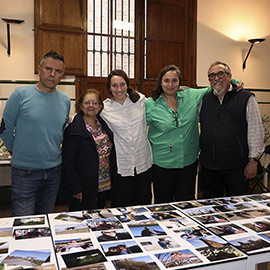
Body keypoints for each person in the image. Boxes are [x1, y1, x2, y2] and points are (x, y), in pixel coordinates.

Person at [146, 64, 242, 204]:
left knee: (186, 203)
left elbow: (215, 85)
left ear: (180, 82)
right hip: (162, 164)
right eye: (166, 80)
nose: (171, 84)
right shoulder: (150, 104)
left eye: (175, 80)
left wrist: (233, 81)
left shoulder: (191, 95)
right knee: (163, 204)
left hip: (188, 163)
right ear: (160, 82)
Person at [0, 50, 70, 216]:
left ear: (62, 75)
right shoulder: (20, 95)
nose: (52, 74)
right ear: (39, 70)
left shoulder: (65, 100)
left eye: (58, 71)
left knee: (46, 220)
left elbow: (60, 132)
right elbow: (5, 129)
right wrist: (15, 150)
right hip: (25, 172)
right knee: (24, 224)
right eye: (48, 69)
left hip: (53, 171)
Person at [199, 61, 264, 199]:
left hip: (236, 167)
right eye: (212, 75)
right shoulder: (204, 99)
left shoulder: (246, 98)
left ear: (230, 76)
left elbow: (255, 131)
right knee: (210, 207)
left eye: (221, 74)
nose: (216, 78)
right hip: (209, 166)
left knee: (237, 206)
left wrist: (253, 161)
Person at [100, 69, 152, 207]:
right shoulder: (104, 108)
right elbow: (87, 115)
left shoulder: (140, 100)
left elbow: (159, 105)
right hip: (122, 166)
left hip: (143, 162)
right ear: (109, 88)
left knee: (144, 204)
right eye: (114, 85)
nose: (119, 89)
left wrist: (179, 91)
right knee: (122, 205)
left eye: (122, 84)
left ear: (127, 85)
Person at [62, 89, 117, 211]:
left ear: (100, 106)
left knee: (99, 221)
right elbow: (68, 163)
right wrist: (75, 188)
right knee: (83, 223)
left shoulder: (103, 125)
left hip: (103, 185)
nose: (91, 106)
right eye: (87, 103)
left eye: (95, 103)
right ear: (81, 106)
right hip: (84, 188)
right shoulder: (74, 130)